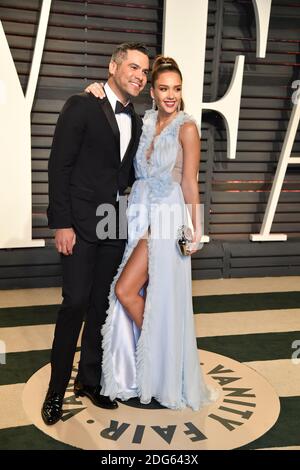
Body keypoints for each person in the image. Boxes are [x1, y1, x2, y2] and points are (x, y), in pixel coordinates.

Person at [87, 56, 216, 410]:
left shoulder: (187, 127)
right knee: (147, 293)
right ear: (153, 92)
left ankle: (161, 360)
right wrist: (95, 92)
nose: (171, 95)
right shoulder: (146, 121)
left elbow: (189, 181)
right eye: (163, 88)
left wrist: (197, 230)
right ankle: (153, 369)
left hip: (167, 214)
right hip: (139, 211)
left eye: (176, 88)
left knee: (126, 290)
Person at [41, 43, 150, 425]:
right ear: (113, 66)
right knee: (74, 303)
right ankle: (55, 392)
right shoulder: (82, 103)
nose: (139, 75)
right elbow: (59, 166)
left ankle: (88, 381)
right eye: (133, 67)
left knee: (101, 306)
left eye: (144, 72)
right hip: (79, 224)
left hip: (113, 219)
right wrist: (62, 223)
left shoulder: (136, 119)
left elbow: (125, 174)